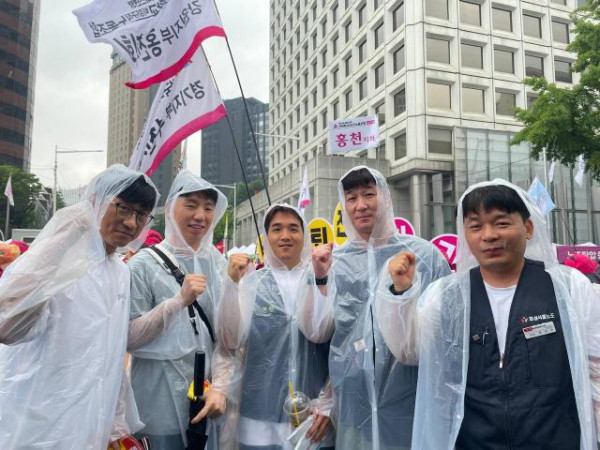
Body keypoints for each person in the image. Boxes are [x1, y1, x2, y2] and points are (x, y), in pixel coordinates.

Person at [394, 179, 600, 449]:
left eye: (501, 223)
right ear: (464, 233)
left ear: (527, 228)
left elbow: (596, 367)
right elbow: (411, 351)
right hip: (474, 441)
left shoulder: (568, 287)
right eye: (476, 226)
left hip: (556, 438)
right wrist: (401, 294)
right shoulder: (447, 296)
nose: (488, 235)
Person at [0, 164, 159, 449]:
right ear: (95, 202)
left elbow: (110, 352)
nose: (132, 223)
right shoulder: (58, 260)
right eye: (123, 208)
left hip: (90, 428)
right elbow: (6, 325)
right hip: (34, 428)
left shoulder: (120, 272)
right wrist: (65, 237)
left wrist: (116, 422)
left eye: (142, 214)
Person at [306, 166, 451, 449]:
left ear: (385, 197)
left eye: (369, 195)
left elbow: (446, 334)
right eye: (351, 198)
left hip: (411, 399)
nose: (360, 205)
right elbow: (325, 335)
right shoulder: (336, 261)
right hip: (353, 403)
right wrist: (320, 277)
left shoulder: (424, 256)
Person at [211, 203, 334, 449]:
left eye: (293, 229)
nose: (285, 236)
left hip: (313, 417)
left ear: (304, 235)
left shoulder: (323, 279)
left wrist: (329, 402)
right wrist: (232, 285)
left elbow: (339, 345)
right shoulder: (251, 284)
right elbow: (230, 341)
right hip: (259, 417)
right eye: (277, 229)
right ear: (266, 237)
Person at [126, 170, 229, 449]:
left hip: (205, 401)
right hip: (155, 403)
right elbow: (130, 338)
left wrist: (220, 385)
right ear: (171, 208)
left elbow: (226, 338)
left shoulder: (218, 264)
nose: (201, 216)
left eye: (208, 208)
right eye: (191, 205)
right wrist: (176, 302)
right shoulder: (142, 265)